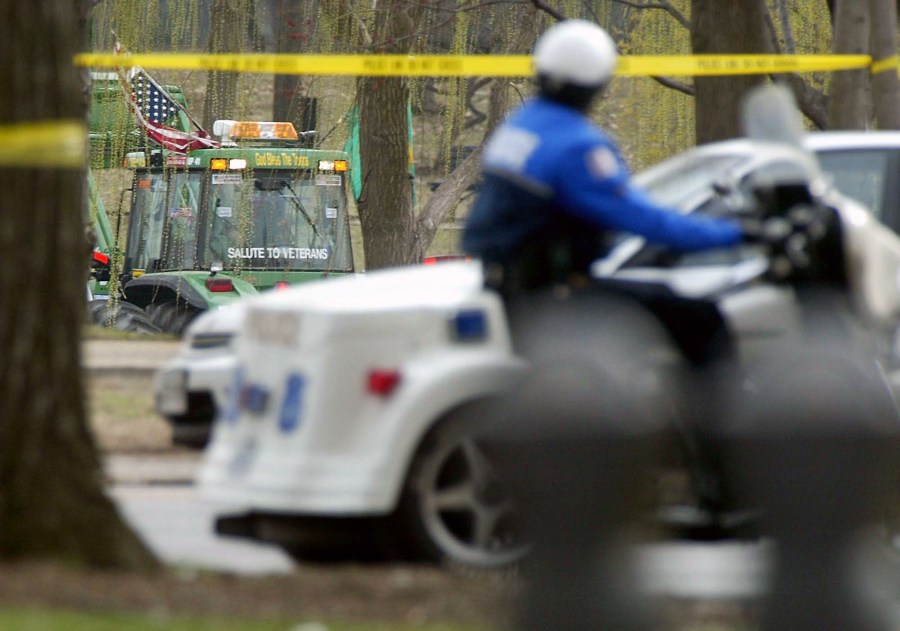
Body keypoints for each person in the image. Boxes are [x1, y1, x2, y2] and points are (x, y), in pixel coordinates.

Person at [462, 19, 747, 296]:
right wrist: (734, 234)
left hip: (502, 280)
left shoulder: (519, 125)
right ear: (597, 84)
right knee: (699, 313)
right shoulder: (578, 146)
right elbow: (642, 218)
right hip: (551, 291)